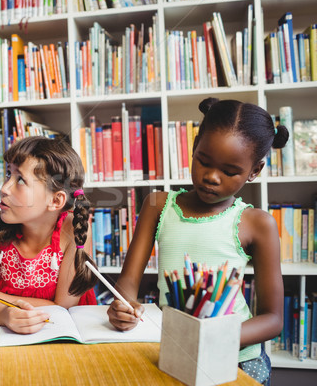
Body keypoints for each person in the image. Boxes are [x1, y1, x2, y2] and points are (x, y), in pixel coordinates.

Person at [105, 98, 286, 385]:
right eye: (203, 161)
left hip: (238, 356)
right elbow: (128, 284)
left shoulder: (257, 223)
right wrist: (123, 306)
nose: (212, 177)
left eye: (229, 172)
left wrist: (213, 338)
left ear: (255, 170)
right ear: (193, 148)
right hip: (174, 347)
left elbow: (273, 318)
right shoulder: (157, 205)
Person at [0, 136, 97, 334]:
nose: (4, 188)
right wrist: (4, 313)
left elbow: (63, 308)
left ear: (56, 201)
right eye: (8, 174)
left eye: (20, 179)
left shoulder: (74, 230)